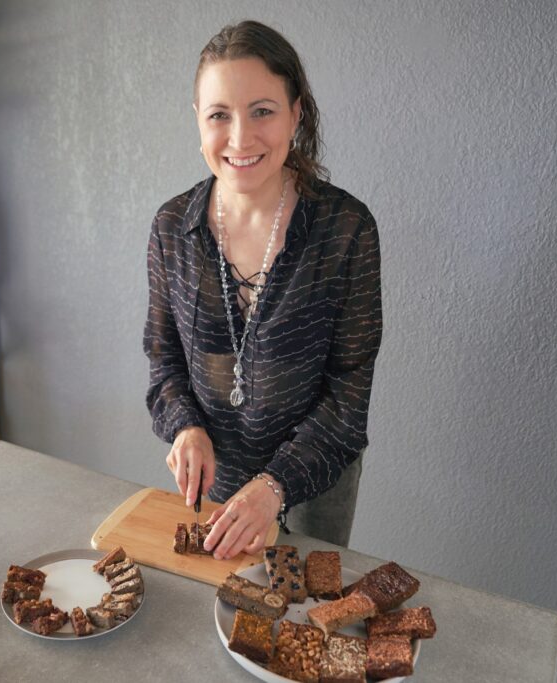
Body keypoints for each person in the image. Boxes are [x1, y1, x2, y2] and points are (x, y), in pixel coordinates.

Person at [144, 20, 382, 560]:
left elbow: (348, 396)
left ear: (296, 114)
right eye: (219, 115)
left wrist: (274, 486)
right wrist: (184, 428)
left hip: (316, 481)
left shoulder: (347, 229)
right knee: (221, 600)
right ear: (198, 119)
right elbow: (163, 362)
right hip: (217, 485)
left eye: (262, 111)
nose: (240, 138)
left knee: (304, 602)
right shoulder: (171, 229)